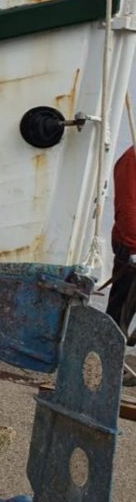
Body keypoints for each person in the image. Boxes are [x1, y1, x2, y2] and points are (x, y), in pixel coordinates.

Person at [108, 145, 136, 386]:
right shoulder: (132, 159)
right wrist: (134, 247)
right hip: (132, 246)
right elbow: (126, 206)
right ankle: (109, 364)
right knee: (121, 311)